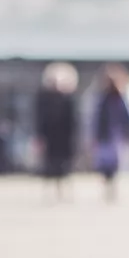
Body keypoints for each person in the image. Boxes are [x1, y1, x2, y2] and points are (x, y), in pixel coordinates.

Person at [35, 62, 79, 198]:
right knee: (50, 164)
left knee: (64, 165)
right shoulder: (43, 99)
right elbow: (39, 120)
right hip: (50, 138)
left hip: (64, 138)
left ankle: (64, 190)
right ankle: (50, 190)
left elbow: (73, 121)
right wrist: (40, 137)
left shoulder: (68, 99)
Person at [93, 66, 129, 202]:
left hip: (116, 135)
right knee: (105, 164)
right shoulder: (103, 99)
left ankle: (112, 189)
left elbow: (126, 118)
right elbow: (97, 119)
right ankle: (108, 188)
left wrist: (128, 132)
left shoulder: (119, 99)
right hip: (106, 136)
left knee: (114, 164)